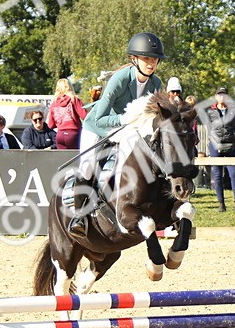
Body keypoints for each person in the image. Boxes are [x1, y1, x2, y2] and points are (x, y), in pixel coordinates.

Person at [68, 32, 168, 236]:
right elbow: (99, 118)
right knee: (87, 167)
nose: (151, 63)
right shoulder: (119, 80)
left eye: (155, 59)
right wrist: (124, 120)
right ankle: (78, 217)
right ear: (134, 59)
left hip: (127, 129)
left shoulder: (156, 83)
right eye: (147, 58)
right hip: (98, 127)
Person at [205, 86, 235, 214]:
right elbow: (209, 129)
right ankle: (221, 203)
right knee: (217, 175)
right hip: (215, 146)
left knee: (234, 174)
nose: (222, 97)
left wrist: (234, 139)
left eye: (224, 95)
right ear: (216, 97)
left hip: (231, 145)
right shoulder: (210, 111)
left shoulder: (234, 110)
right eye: (219, 95)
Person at [46, 78, 86, 150]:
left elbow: (50, 125)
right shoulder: (74, 99)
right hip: (73, 134)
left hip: (60, 135)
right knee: (76, 156)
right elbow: (85, 116)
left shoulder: (54, 104)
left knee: (63, 157)